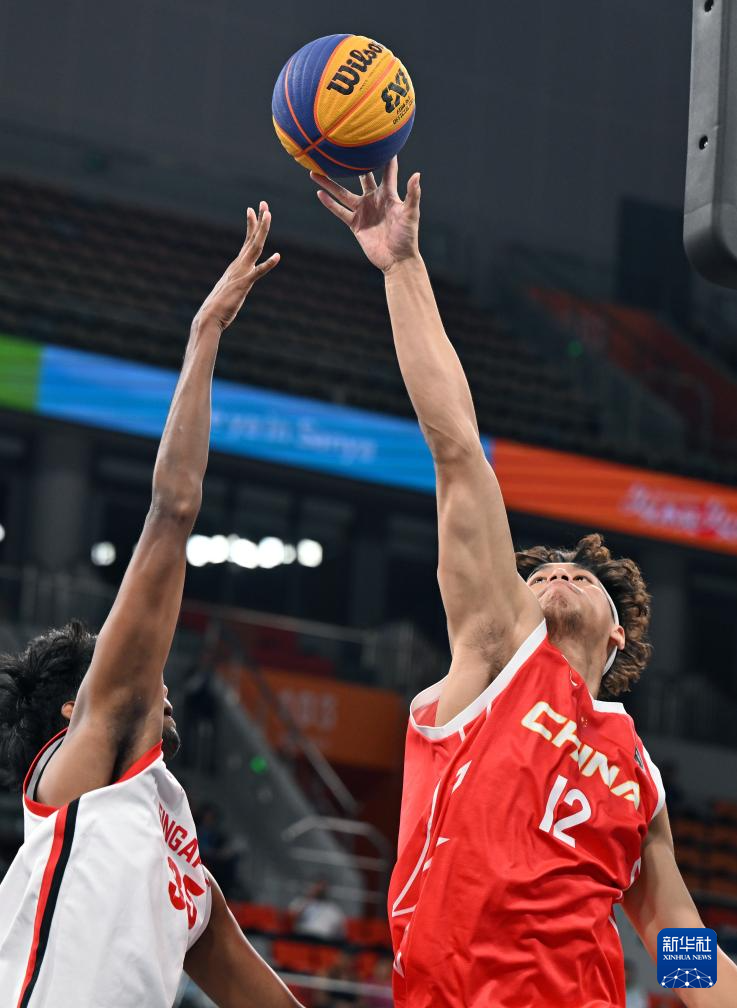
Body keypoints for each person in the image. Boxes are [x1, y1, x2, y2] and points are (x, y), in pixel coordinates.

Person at [312, 158, 737, 1007]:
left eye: (582, 576)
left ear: (617, 635)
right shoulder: (498, 653)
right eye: (540, 572)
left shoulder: (638, 770)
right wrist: (401, 268)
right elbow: (455, 447)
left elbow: (671, 932)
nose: (560, 573)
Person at [0, 205, 304, 1008]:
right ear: (76, 708)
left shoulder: (183, 863)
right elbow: (172, 510)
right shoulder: (89, 774)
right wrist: (204, 333)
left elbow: (273, 1004)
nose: (158, 681)